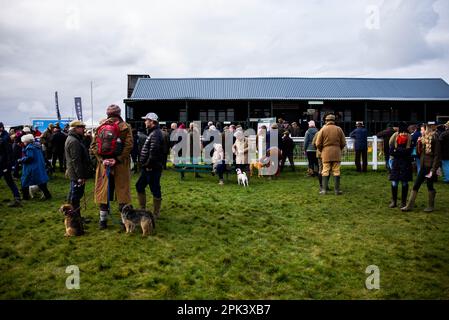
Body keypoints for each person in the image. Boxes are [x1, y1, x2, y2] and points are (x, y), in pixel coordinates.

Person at [91, 105, 133, 229]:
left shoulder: (100, 127)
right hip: (120, 165)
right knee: (122, 192)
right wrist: (117, 159)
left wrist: (102, 160)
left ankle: (102, 221)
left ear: (107, 114)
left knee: (103, 192)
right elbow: (129, 146)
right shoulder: (125, 126)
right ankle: (123, 222)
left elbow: (93, 146)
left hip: (104, 166)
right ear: (119, 113)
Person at [402, 122, 442, 212]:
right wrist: (418, 144)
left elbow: (437, 156)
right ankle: (409, 206)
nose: (420, 131)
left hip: (430, 167)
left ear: (427, 129)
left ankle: (431, 206)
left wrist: (433, 170)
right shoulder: (423, 139)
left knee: (429, 186)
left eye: (422, 129)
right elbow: (419, 153)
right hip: (423, 166)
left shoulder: (435, 139)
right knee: (416, 184)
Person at [136, 113, 163, 217]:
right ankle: (143, 209)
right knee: (140, 186)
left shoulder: (155, 134)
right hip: (149, 167)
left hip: (151, 168)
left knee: (155, 189)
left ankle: (156, 213)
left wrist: (148, 165)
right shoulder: (153, 133)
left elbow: (154, 153)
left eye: (146, 120)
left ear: (152, 121)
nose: (145, 122)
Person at [315, 114, 346, 195]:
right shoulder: (339, 129)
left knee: (325, 170)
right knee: (336, 171)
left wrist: (322, 150)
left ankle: (324, 190)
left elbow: (317, 143)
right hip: (336, 152)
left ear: (326, 121)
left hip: (326, 152)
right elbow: (343, 143)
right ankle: (336, 191)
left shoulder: (323, 129)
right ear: (334, 120)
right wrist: (339, 149)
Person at [65, 120, 91, 217]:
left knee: (74, 196)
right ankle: (74, 217)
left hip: (75, 173)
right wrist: (80, 176)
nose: (84, 129)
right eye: (81, 127)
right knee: (75, 197)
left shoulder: (74, 139)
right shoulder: (73, 141)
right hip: (77, 175)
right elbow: (76, 160)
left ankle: (74, 216)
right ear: (75, 128)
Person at [19, 134, 52, 200]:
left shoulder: (29, 148)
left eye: (24, 142)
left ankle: (25, 197)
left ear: (27, 141)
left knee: (25, 182)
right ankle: (47, 195)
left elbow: (30, 157)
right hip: (39, 166)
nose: (24, 143)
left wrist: (21, 160)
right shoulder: (37, 146)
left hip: (31, 168)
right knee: (41, 182)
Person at [388, 122, 413, 208]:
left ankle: (403, 202)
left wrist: (397, 150)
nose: (403, 133)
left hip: (405, 162)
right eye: (402, 132)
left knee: (404, 182)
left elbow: (408, 151)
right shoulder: (395, 135)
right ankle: (394, 201)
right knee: (394, 182)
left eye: (404, 132)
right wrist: (398, 151)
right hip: (396, 161)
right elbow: (391, 146)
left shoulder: (409, 136)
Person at [0, 122, 21, 207]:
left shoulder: (5, 138)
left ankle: (17, 198)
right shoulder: (3, 137)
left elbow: (9, 153)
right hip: (2, 163)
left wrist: (8, 165)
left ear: (1, 128)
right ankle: (17, 197)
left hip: (4, 165)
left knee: (10, 181)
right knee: (10, 182)